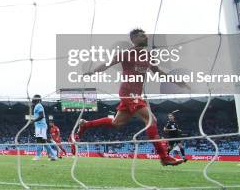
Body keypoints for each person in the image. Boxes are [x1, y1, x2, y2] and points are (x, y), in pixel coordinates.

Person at [76, 28, 185, 166]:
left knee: (117, 123)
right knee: (151, 120)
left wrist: (176, 81)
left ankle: (86, 125)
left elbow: (158, 72)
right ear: (133, 39)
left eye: (145, 35)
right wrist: (92, 71)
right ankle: (164, 157)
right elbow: (107, 64)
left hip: (136, 94)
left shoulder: (148, 56)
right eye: (141, 35)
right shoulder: (126, 54)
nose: (145, 37)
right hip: (128, 92)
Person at [30, 95, 57, 161]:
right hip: (40, 126)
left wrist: (33, 121)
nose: (32, 99)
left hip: (41, 126)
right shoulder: (37, 106)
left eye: (33, 98)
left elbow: (41, 116)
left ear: (37, 99)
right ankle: (53, 156)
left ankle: (38, 156)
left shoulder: (38, 105)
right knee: (43, 142)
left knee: (39, 141)